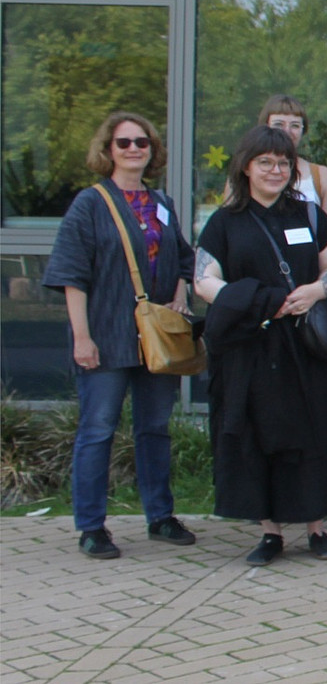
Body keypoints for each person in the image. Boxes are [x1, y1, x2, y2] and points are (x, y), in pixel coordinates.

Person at [194, 125, 327, 566]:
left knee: (312, 436)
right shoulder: (224, 222)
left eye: (283, 163)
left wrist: (317, 290)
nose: (275, 170)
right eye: (265, 162)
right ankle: (270, 533)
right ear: (246, 167)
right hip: (251, 347)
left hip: (303, 347)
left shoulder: (309, 215)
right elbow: (204, 281)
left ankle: (316, 528)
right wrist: (258, 301)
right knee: (255, 437)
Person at [46, 112, 197, 559]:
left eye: (142, 142)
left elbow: (184, 258)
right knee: (97, 430)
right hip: (107, 333)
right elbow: (72, 275)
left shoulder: (161, 202)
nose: (134, 149)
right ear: (108, 150)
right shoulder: (90, 204)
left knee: (155, 429)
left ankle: (160, 516)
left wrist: (180, 295)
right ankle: (91, 526)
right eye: (124, 142)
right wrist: (82, 337)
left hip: (156, 337)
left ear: (152, 150)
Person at [258, 95, 327, 209]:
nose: (287, 131)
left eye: (295, 125)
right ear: (265, 127)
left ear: (303, 130)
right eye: (278, 124)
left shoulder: (323, 177)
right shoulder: (247, 173)